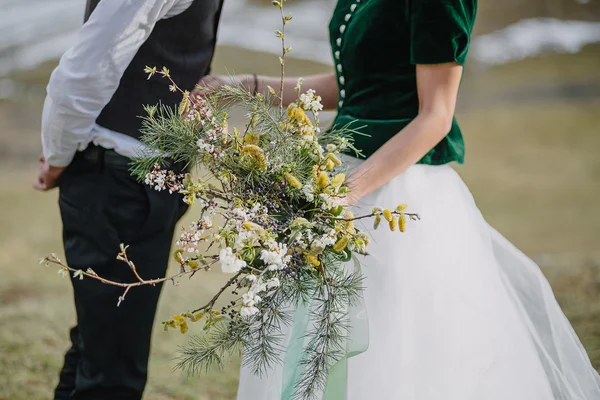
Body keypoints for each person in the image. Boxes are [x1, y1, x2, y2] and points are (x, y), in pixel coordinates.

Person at [204, 0, 600, 399]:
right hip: (338, 172)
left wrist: (348, 191)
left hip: (396, 195)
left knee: (393, 342)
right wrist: (246, 87)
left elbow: (437, 116)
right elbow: (358, 83)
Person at [34, 0, 224, 398]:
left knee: (99, 349)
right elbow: (86, 70)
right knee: (111, 374)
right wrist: (57, 156)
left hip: (137, 184)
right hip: (118, 184)